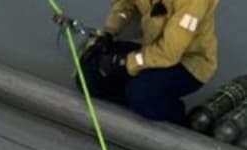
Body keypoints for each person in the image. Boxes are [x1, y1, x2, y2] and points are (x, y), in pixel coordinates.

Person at [79, 0, 218, 123]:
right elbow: (125, 4)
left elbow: (169, 53)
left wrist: (123, 62)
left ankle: (178, 116)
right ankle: (136, 91)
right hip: (150, 49)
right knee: (88, 73)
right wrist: (109, 32)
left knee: (141, 95)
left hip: (187, 64)